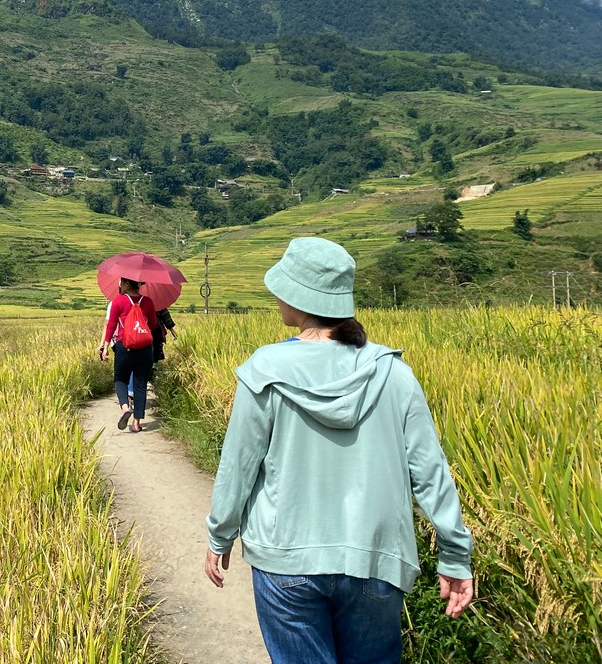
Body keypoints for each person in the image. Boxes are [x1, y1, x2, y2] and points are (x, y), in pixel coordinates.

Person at [204, 237, 473, 663]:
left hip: (286, 557)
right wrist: (455, 556)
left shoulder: (265, 370)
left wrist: (221, 534)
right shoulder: (393, 374)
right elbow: (430, 473)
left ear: (297, 297)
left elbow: (238, 464)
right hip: (376, 558)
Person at [98, 277, 158, 433]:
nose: (120, 286)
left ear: (126, 283)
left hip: (125, 346)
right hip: (144, 348)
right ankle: (137, 423)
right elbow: (153, 325)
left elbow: (111, 325)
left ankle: (125, 407)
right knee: (140, 384)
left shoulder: (119, 301)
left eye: (122, 283)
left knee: (120, 379)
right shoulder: (148, 302)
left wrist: (104, 346)